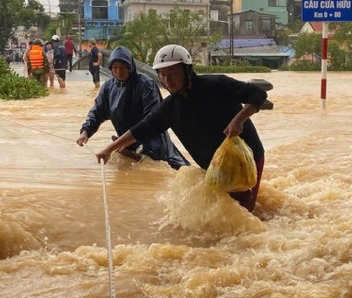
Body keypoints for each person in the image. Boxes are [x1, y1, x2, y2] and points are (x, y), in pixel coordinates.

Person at [95, 44, 267, 212]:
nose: (167, 79)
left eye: (173, 73)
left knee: (243, 213)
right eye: (162, 74)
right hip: (214, 167)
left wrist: (238, 120)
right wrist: (109, 149)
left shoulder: (216, 85)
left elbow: (258, 93)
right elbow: (141, 129)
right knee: (222, 213)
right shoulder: (168, 108)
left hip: (246, 159)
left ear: (187, 71)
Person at [77, 46, 189, 168]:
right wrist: (85, 132)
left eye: (122, 68)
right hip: (125, 142)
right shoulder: (108, 87)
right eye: (115, 68)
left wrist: (115, 146)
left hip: (152, 143)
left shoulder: (146, 84)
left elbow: (151, 120)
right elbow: (97, 112)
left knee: (162, 167)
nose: (118, 71)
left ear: (130, 67)